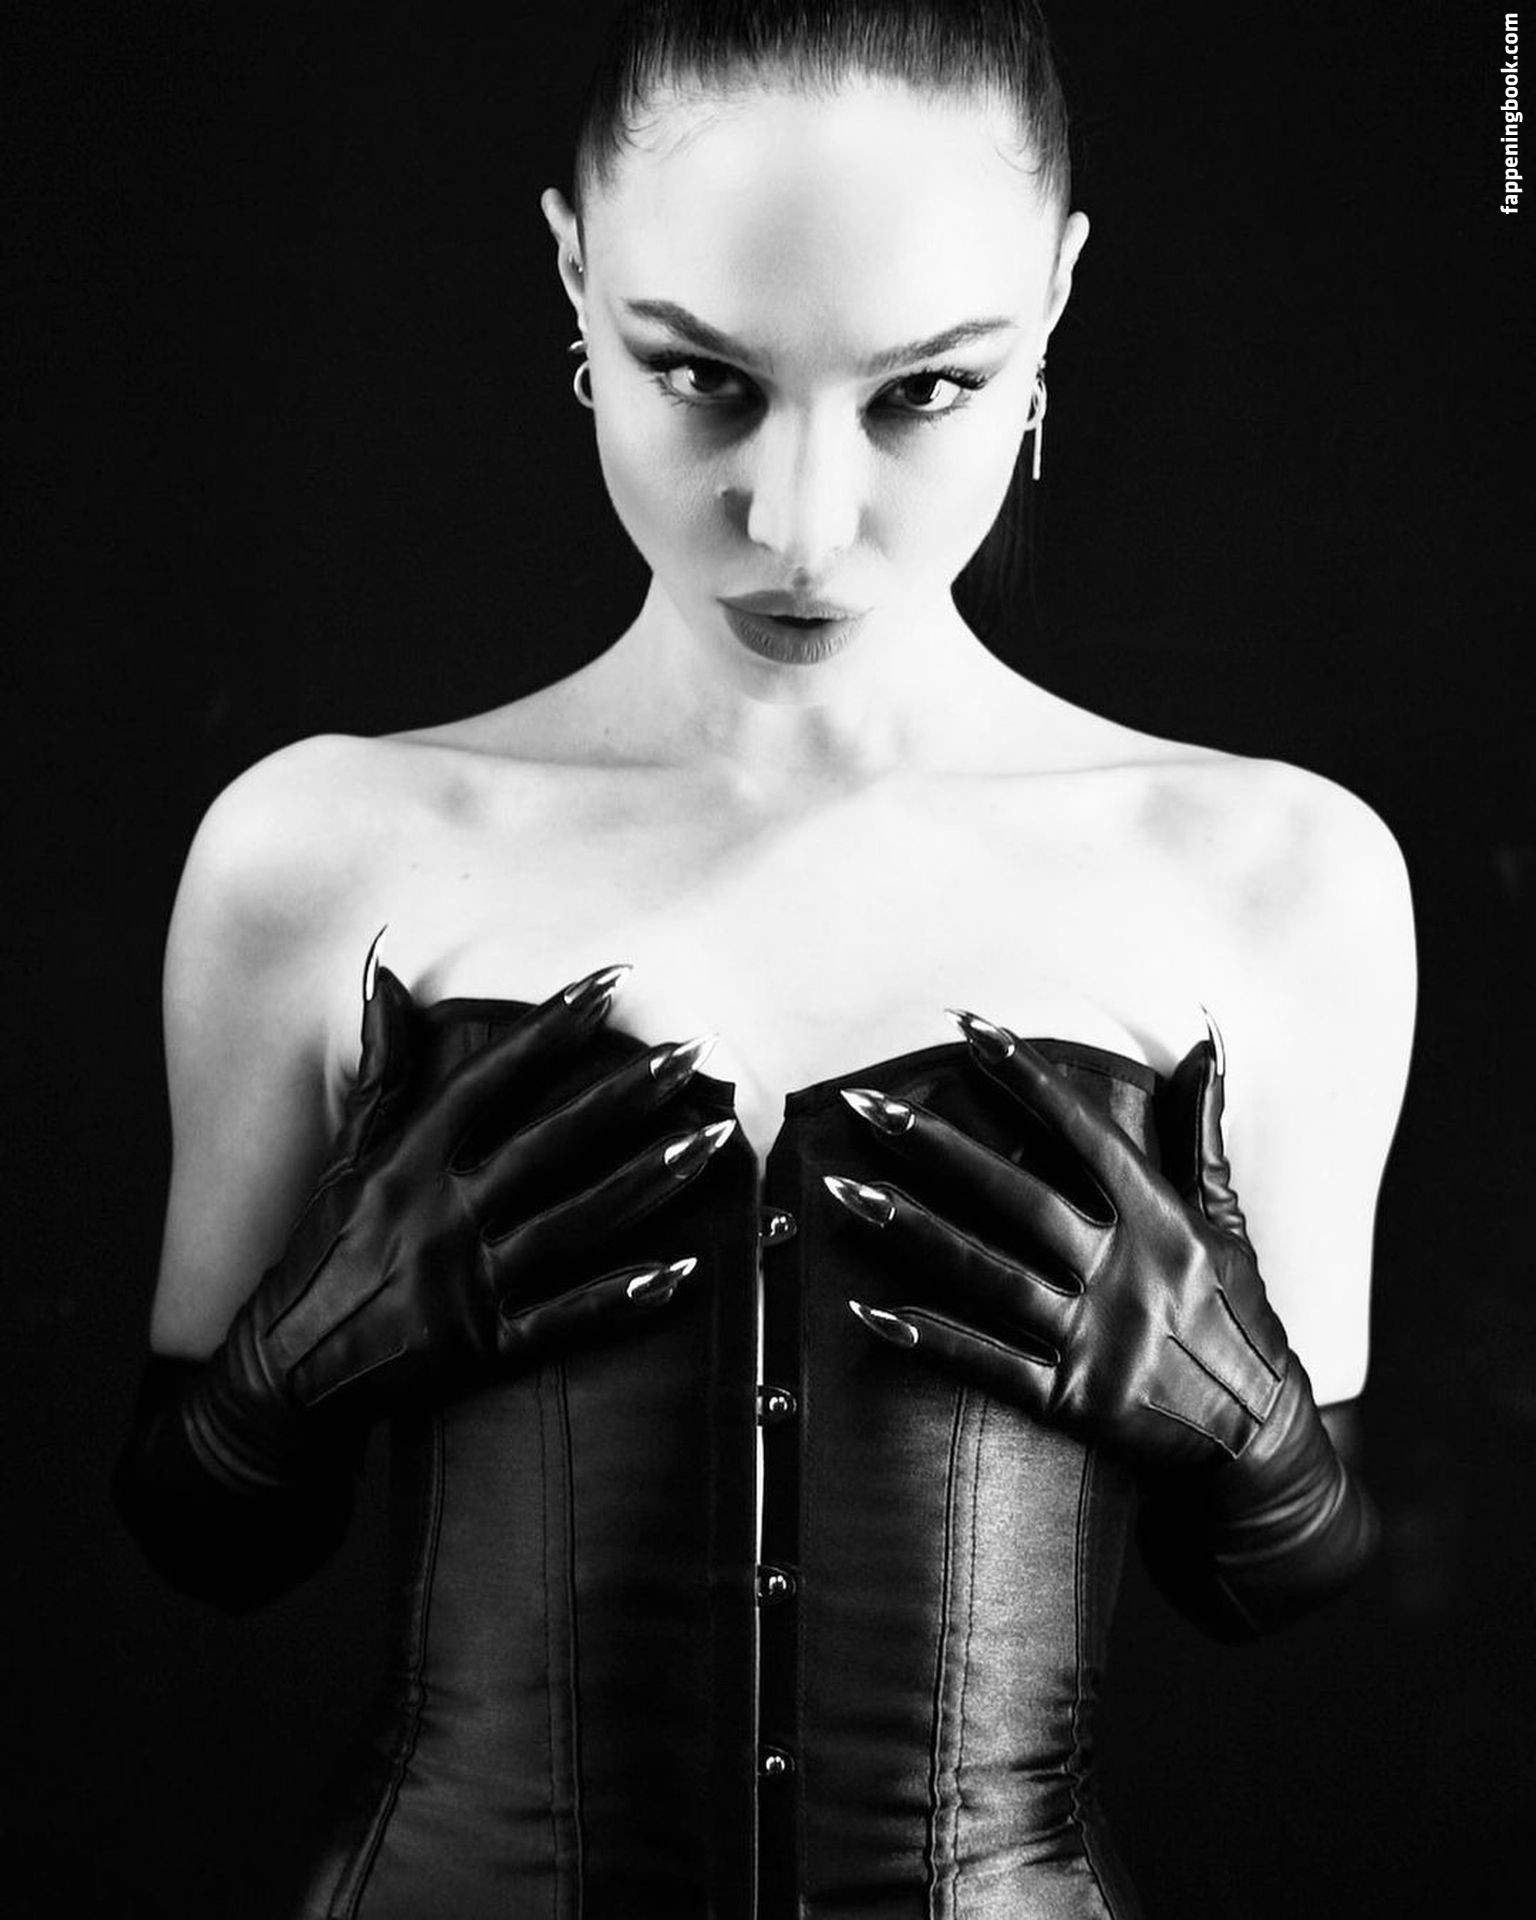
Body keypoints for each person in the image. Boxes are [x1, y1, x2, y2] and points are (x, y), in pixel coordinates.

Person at [114, 2, 1416, 1914]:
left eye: (927, 391)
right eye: (702, 376)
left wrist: (1257, 1436)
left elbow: (1269, 1585)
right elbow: (206, 1543)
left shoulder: (1277, 874)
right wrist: (289, 1373)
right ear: (575, 275)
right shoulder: (317, 852)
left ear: (1057, 301)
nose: (803, 523)